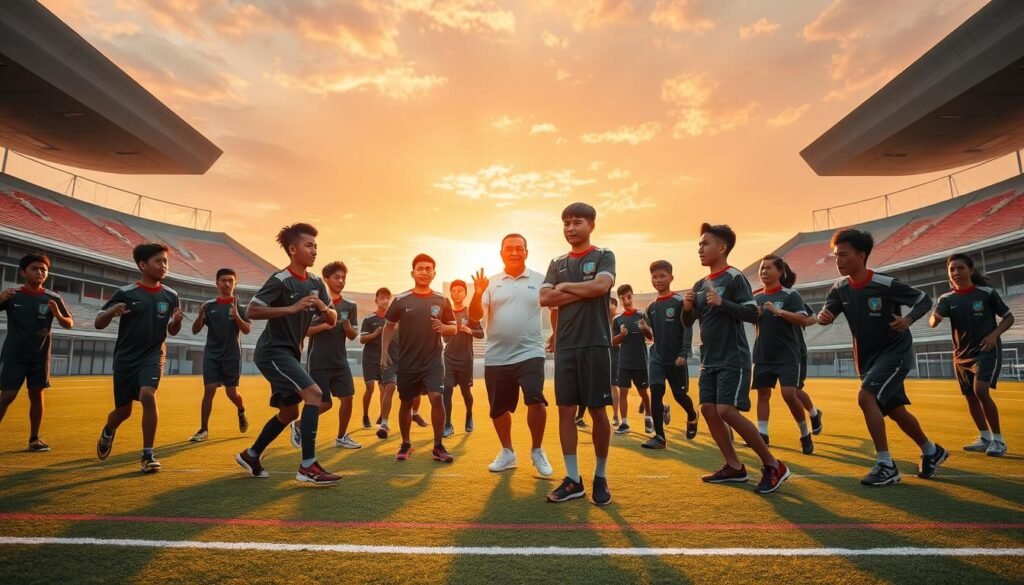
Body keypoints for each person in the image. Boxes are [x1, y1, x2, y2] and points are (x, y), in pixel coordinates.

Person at [818, 228, 945, 486]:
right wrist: (824, 317)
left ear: (861, 255)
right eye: (835, 256)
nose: (838, 261)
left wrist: (908, 319)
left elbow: (923, 299)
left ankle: (886, 464)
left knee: (866, 397)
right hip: (867, 358)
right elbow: (828, 311)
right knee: (896, 410)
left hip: (895, 353)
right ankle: (932, 451)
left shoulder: (885, 284)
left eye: (843, 255)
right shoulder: (839, 288)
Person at [682, 223, 790, 494]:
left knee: (726, 410)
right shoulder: (698, 284)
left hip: (733, 357)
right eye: (699, 244)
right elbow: (688, 322)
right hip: (709, 359)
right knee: (708, 410)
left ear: (722, 247)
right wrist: (686, 309)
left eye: (705, 243)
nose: (700, 249)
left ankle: (774, 465)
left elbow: (753, 313)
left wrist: (723, 303)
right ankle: (734, 467)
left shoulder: (734, 277)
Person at [233, 223, 341, 485]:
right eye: (309, 245)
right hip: (272, 351)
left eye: (316, 246)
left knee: (290, 413)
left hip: (291, 354)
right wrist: (291, 309)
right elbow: (253, 311)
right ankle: (307, 467)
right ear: (293, 250)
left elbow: (333, 319)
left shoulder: (316, 281)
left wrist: (323, 309)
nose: (315, 250)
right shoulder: (281, 280)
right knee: (314, 395)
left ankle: (251, 454)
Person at [540, 202, 615, 506]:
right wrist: (581, 288)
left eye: (577, 223)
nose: (571, 228)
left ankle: (600, 475)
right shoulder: (556, 262)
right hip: (567, 346)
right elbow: (545, 297)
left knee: (598, 411)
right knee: (566, 411)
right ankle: (573, 480)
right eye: (566, 223)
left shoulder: (603, 255)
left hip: (595, 343)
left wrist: (567, 289)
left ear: (591, 225)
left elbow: (601, 287)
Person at [469, 233, 554, 477]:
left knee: (536, 399)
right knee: (498, 409)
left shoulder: (540, 280)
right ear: (501, 253)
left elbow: (555, 307)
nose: (514, 252)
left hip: (531, 352)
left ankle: (537, 450)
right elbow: (475, 316)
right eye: (509, 249)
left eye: (519, 248)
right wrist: (477, 292)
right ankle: (508, 452)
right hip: (497, 356)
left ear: (526, 252)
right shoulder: (490, 283)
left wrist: (555, 334)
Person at [95, 243, 182, 473]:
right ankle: (108, 430)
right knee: (123, 412)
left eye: (166, 261)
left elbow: (171, 330)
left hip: (153, 354)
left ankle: (147, 454)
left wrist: (178, 321)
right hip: (125, 359)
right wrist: (111, 312)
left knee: (148, 395)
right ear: (143, 265)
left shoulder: (171, 295)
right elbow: (98, 322)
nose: (164, 265)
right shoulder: (125, 293)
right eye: (158, 261)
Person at [930, 253, 1014, 457]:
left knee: (981, 391)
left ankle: (998, 441)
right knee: (970, 397)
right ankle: (984, 437)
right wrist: (934, 319)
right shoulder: (947, 299)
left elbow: (1008, 317)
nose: (956, 273)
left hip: (985, 351)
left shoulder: (986, 293)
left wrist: (994, 335)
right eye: (952, 270)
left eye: (960, 268)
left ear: (971, 270)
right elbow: (934, 318)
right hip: (960, 355)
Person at [380, 254, 457, 463]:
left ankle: (438, 446)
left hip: (433, 361)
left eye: (428, 268)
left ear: (434, 273)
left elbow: (454, 327)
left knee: (436, 397)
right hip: (407, 362)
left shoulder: (441, 300)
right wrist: (384, 352)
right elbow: (388, 326)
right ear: (413, 273)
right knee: (406, 402)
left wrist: (444, 327)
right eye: (420, 268)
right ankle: (405, 443)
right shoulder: (401, 300)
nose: (424, 272)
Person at [0, 252, 73, 451]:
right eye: (34, 268)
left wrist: (57, 314)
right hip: (14, 355)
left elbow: (69, 324)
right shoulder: (12, 295)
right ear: (23, 272)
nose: (40, 272)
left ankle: (34, 439)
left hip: (40, 356)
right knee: (7, 396)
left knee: (37, 395)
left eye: (44, 269)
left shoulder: (53, 297)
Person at [751, 255, 820, 455]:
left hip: (788, 355)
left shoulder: (790, 296)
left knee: (790, 394)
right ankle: (762, 435)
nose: (764, 271)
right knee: (763, 394)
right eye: (761, 268)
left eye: (768, 268)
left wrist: (778, 311)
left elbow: (803, 320)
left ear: (780, 272)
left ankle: (804, 434)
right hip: (763, 354)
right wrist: (752, 315)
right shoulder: (756, 298)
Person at [640, 260, 698, 450]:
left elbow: (687, 328)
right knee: (656, 392)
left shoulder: (679, 302)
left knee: (680, 395)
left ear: (671, 277)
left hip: (676, 358)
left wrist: (684, 353)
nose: (657, 280)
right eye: (654, 277)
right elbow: (654, 336)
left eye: (662, 276)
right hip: (657, 357)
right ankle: (659, 437)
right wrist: (645, 331)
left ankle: (692, 415)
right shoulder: (651, 307)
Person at [189, 268, 250, 442]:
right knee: (209, 390)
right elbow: (195, 330)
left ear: (235, 283)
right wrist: (200, 314)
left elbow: (246, 329)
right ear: (217, 283)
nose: (227, 284)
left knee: (231, 393)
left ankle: (241, 409)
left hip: (232, 355)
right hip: (212, 355)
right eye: (223, 280)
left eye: (231, 280)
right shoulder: (209, 306)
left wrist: (236, 316)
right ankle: (203, 429)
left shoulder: (241, 306)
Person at [306, 260, 361, 449]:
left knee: (348, 398)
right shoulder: (316, 304)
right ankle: (298, 425)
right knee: (325, 404)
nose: (340, 281)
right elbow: (305, 331)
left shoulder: (350, 305)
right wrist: (325, 324)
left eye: (343, 278)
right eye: (336, 277)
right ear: (326, 279)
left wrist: (346, 327)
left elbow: (354, 335)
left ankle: (341, 437)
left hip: (340, 360)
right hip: (318, 360)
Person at [442, 279, 483, 437]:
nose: (456, 293)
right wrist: (447, 332)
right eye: (453, 291)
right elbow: (445, 338)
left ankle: (469, 415)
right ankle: (447, 424)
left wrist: (468, 330)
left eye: (460, 290)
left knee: (466, 392)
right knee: (447, 390)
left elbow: (481, 334)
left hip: (465, 359)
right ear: (450, 293)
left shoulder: (470, 313)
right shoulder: (447, 313)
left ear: (465, 293)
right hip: (449, 357)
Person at [611, 284, 652, 435]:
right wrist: (621, 335)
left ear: (633, 296)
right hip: (624, 362)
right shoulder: (618, 320)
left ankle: (649, 418)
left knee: (643, 393)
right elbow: (613, 341)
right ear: (620, 300)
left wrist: (645, 329)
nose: (626, 300)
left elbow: (651, 336)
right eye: (622, 298)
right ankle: (624, 423)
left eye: (628, 296)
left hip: (640, 360)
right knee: (623, 392)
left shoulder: (641, 315)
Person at [360, 288, 399, 438]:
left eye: (387, 297)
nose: (384, 300)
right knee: (370, 388)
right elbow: (362, 339)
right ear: (376, 300)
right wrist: (375, 334)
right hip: (371, 358)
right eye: (381, 297)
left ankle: (383, 419)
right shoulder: (369, 319)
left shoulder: (394, 319)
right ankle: (365, 415)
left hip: (388, 358)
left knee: (385, 388)